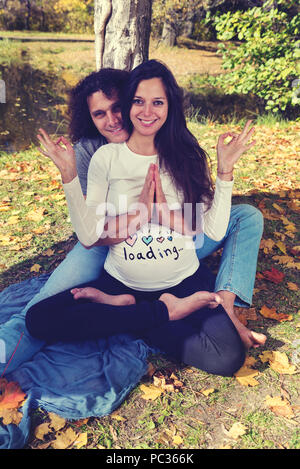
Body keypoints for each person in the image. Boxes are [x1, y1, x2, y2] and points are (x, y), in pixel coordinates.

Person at [25, 60, 266, 377]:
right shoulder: (92, 155)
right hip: (113, 253)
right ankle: (151, 309)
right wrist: (137, 213)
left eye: (119, 108)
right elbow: (93, 233)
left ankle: (197, 306)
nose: (113, 120)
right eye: (100, 114)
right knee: (39, 313)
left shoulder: (178, 147)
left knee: (227, 355)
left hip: (174, 257)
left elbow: (196, 222)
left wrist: (215, 179)